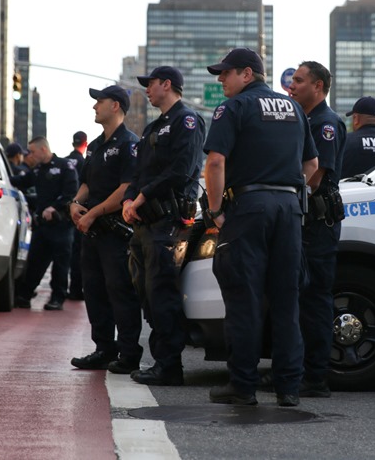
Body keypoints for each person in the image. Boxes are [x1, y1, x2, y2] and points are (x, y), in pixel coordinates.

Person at [203, 48, 318, 407]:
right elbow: (312, 164)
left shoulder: (233, 108)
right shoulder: (294, 108)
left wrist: (216, 210)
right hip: (289, 208)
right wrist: (283, 187)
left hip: (250, 208)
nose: (221, 80)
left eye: (226, 73)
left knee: (245, 299)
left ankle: (243, 385)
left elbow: (216, 162)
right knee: (286, 300)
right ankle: (288, 388)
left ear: (248, 74)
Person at [122, 66, 205, 386]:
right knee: (146, 293)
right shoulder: (153, 127)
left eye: (151, 84)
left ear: (167, 85)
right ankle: (161, 360)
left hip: (168, 221)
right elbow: (138, 172)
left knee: (162, 293)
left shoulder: (187, 121)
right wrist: (131, 199)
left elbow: (181, 171)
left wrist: (140, 198)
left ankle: (169, 365)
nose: (147, 89)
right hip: (145, 223)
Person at [68, 86, 143, 373]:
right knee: (94, 291)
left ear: (115, 106)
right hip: (92, 232)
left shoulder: (129, 144)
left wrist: (94, 213)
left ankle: (128, 352)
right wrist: (76, 204)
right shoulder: (97, 145)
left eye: (99, 102)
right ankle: (104, 348)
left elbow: (126, 188)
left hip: (114, 231)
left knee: (120, 291)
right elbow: (86, 184)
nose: (94, 107)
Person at [287, 61, 346, 399]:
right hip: (302, 222)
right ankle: (298, 371)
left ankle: (316, 377)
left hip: (317, 225)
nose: (291, 86)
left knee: (315, 300)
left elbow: (316, 175)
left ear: (319, 87)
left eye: (298, 80)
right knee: (297, 300)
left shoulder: (326, 123)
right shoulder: (303, 120)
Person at [13, 136, 79, 311]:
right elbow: (21, 182)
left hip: (61, 224)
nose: (30, 155)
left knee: (60, 265)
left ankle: (57, 298)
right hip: (43, 226)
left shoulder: (65, 166)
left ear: (43, 149)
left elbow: (72, 193)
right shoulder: (38, 170)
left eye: (33, 152)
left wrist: (54, 207)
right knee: (35, 261)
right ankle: (24, 295)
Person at [65, 131, 89, 301]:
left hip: (63, 212)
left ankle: (71, 289)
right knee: (79, 253)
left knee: (68, 254)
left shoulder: (64, 161)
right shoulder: (83, 162)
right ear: (85, 143)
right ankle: (76, 289)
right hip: (79, 213)